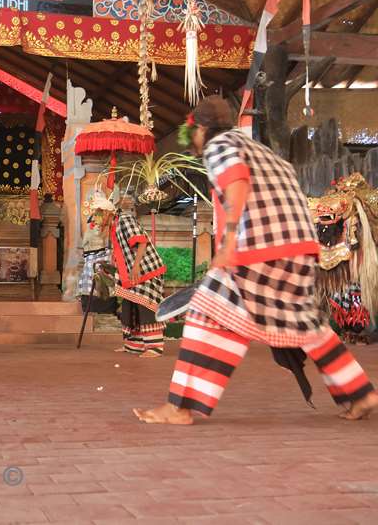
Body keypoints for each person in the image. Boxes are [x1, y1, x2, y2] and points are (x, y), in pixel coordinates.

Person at [134, 96, 378, 424]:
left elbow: (235, 181)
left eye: (192, 132)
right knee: (307, 325)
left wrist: (230, 238)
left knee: (206, 315)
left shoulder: (220, 145)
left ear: (202, 128)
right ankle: (359, 393)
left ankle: (180, 407)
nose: (192, 139)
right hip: (300, 251)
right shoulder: (263, 151)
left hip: (260, 250)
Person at [111, 194, 166, 358]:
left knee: (145, 306)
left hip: (145, 270)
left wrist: (136, 267)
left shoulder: (124, 220)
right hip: (132, 274)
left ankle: (154, 347)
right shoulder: (115, 224)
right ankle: (133, 345)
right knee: (130, 307)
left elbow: (141, 241)